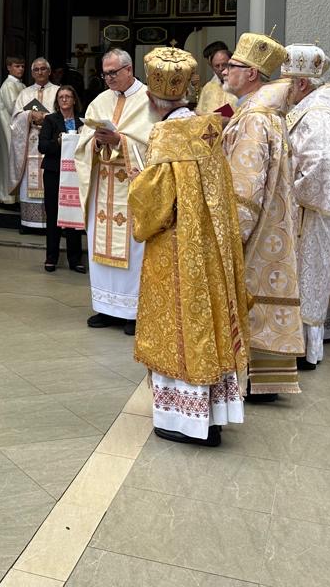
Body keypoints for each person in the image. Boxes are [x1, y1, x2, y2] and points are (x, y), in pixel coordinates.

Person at [129, 46, 250, 447]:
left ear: (150, 96)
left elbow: (157, 204)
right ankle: (211, 416)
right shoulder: (207, 126)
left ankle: (186, 422)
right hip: (210, 248)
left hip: (176, 251)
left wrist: (137, 183)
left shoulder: (166, 133)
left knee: (178, 326)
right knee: (208, 323)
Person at [219, 33, 302, 398]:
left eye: (232, 67)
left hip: (253, 230)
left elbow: (245, 186)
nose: (225, 72)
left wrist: (230, 234)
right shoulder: (269, 114)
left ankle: (249, 379)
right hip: (274, 224)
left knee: (248, 294)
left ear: (251, 73)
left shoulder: (253, 119)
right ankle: (261, 379)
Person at [75, 48, 155, 334]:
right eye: (105, 73)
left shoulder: (149, 100)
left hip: (132, 187)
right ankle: (106, 308)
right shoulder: (99, 101)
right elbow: (83, 142)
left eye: (113, 73)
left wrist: (121, 140)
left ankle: (133, 312)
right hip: (103, 187)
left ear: (129, 70)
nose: (108, 78)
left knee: (134, 251)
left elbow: (152, 144)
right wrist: (95, 142)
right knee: (100, 247)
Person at [283, 44, 330, 366]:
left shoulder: (317, 116)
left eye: (286, 81)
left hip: (308, 211)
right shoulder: (309, 111)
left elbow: (327, 163)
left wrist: (290, 194)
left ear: (301, 83)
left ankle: (305, 349)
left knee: (308, 277)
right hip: (308, 207)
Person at [8, 58, 59, 231]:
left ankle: (51, 224)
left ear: (49, 71)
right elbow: (14, 119)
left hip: (50, 144)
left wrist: (46, 118)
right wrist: (29, 115)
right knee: (28, 180)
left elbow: (63, 115)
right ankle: (29, 223)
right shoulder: (25, 93)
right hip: (29, 143)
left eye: (43, 69)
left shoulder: (58, 91)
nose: (40, 72)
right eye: (36, 69)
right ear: (32, 73)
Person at [39, 85, 85, 273]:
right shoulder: (50, 120)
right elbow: (42, 146)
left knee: (74, 216)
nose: (64, 100)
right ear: (57, 102)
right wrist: (58, 142)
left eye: (68, 96)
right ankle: (51, 257)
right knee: (53, 215)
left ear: (74, 100)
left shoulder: (82, 121)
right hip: (54, 173)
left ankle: (75, 259)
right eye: (61, 97)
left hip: (75, 174)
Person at [0, 56, 26, 205]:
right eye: (17, 66)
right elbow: (13, 107)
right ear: (9, 67)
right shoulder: (8, 85)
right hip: (10, 128)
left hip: (19, 129)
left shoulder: (21, 84)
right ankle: (8, 198)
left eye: (22, 66)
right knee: (10, 161)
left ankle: (17, 196)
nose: (20, 69)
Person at [196, 41, 239, 117]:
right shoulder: (208, 87)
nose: (221, 69)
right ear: (212, 67)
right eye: (217, 66)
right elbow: (200, 113)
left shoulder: (242, 86)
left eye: (224, 65)